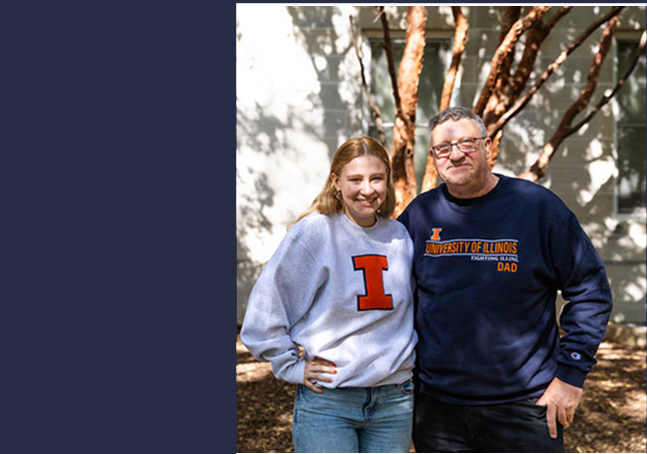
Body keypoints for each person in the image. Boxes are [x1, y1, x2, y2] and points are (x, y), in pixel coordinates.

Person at [398, 106, 613, 453]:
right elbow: (392, 297)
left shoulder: (538, 208)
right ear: (434, 156)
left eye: (466, 143)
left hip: (526, 406)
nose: (455, 154)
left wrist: (571, 376)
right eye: (442, 148)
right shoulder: (419, 216)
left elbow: (590, 291)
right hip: (438, 410)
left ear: (488, 146)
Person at [240, 137, 418, 453]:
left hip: (394, 401)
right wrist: (289, 365)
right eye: (355, 179)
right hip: (330, 402)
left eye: (376, 178)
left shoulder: (400, 237)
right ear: (336, 181)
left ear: (388, 181)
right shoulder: (315, 232)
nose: (367, 189)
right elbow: (265, 312)